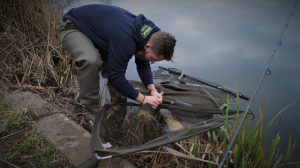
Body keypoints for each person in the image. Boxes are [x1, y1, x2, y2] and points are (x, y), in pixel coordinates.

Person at [58, 4, 176, 121]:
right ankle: (92, 114)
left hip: (100, 33)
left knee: (115, 69)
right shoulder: (126, 40)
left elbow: (143, 61)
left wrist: (152, 90)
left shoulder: (153, 35)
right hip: (74, 26)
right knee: (91, 60)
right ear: (148, 46)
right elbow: (115, 78)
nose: (152, 63)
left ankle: (119, 110)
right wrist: (143, 99)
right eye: (154, 59)